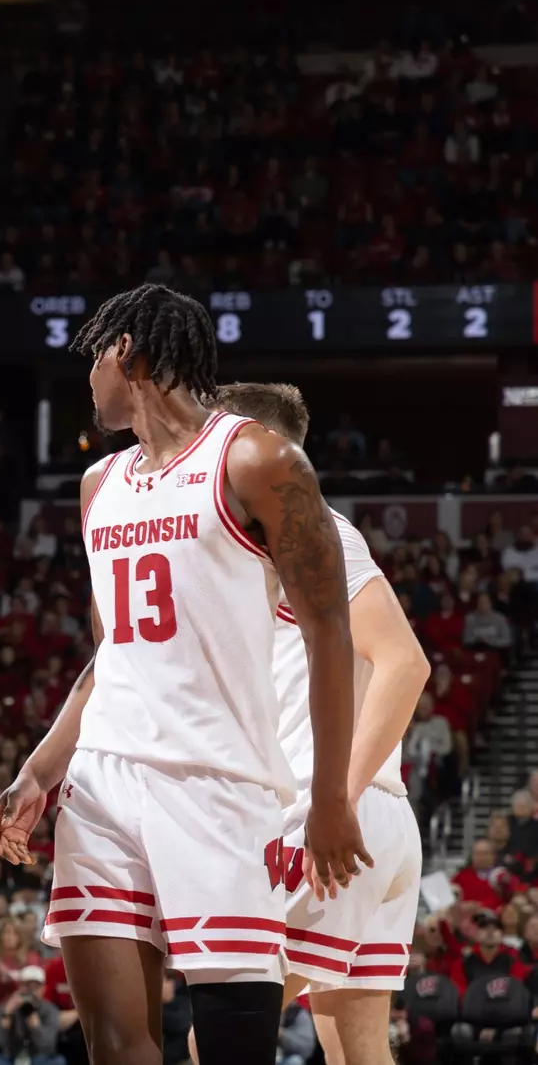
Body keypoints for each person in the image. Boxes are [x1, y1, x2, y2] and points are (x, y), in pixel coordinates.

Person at [0, 285, 369, 1065]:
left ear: (125, 353)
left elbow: (331, 631)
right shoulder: (101, 486)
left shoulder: (257, 457)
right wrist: (42, 768)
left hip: (220, 783)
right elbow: (111, 652)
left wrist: (328, 795)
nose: (87, 377)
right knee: (116, 1046)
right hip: (104, 783)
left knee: (234, 1045)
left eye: (94, 356)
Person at [211, 382, 429, 1065]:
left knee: (217, 1032)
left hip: (331, 814)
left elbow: (405, 662)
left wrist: (333, 801)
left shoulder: (322, 531)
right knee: (357, 1048)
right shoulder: (262, 544)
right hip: (378, 819)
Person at [0, 965, 63, 1065]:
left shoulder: (50, 1010)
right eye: (28, 986)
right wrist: (7, 1015)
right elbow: (2, 1044)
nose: (32, 991)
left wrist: (36, 1027)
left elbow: (48, 1045)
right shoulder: (6, 1007)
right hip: (11, 1056)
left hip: (37, 1058)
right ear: (20, 987)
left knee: (58, 1061)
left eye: (36, 987)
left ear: (43, 989)